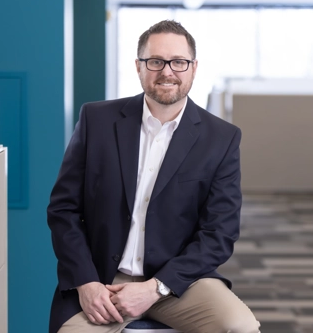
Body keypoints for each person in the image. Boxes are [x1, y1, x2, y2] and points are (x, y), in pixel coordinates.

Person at [47, 20, 260, 333]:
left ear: (194, 68)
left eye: (179, 62)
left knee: (239, 327)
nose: (167, 72)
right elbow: (63, 211)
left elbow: (220, 232)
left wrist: (154, 288)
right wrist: (86, 282)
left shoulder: (221, 138)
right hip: (103, 279)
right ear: (139, 66)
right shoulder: (97, 120)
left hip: (179, 283)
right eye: (155, 61)